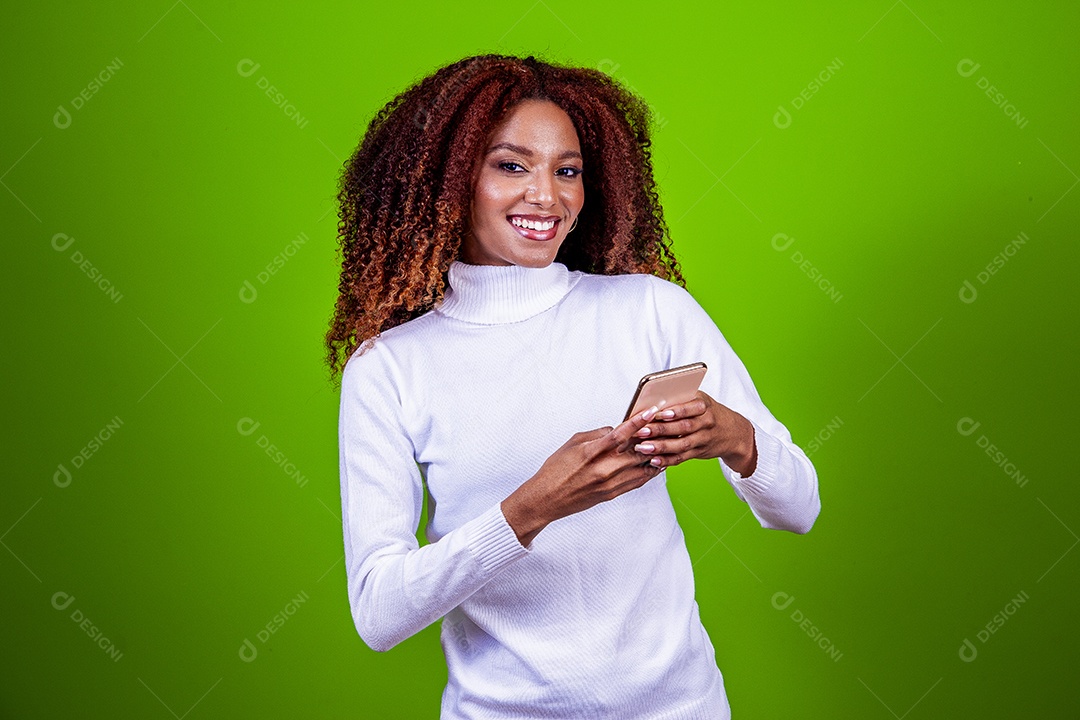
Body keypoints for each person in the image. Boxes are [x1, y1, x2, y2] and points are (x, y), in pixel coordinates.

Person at [326, 53, 821, 719]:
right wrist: (531, 509)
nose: (547, 196)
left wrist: (734, 436)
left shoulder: (649, 309)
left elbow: (800, 508)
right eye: (511, 165)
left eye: (567, 170)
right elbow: (380, 613)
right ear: (448, 179)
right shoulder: (388, 368)